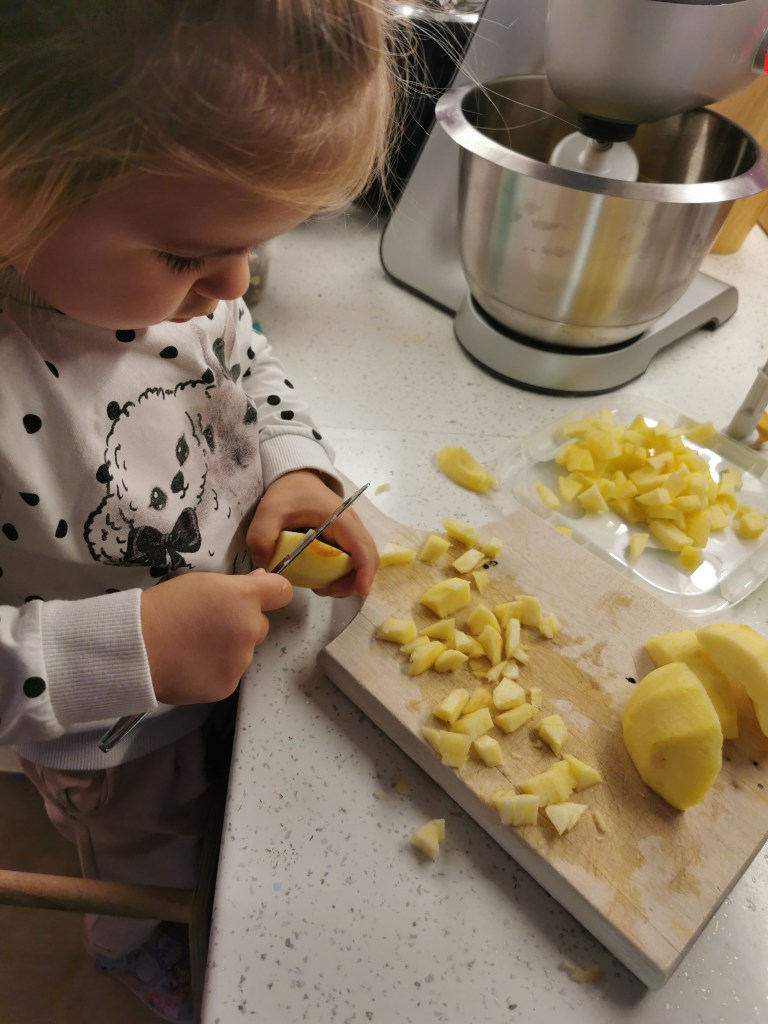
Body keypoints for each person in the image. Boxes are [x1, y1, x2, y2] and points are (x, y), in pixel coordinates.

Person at [0, 2, 403, 1019]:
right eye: (188, 256)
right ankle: (129, 944)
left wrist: (293, 468)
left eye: (255, 246)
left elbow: (247, 363)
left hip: (230, 660)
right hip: (114, 736)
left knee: (220, 811)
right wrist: (124, 652)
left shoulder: (195, 285)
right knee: (147, 854)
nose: (233, 284)